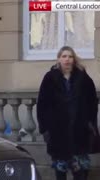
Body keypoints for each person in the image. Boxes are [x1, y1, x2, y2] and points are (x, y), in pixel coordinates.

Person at [37, 46, 98, 180]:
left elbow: (92, 102)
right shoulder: (50, 78)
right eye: (64, 56)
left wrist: (90, 123)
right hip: (58, 133)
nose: (67, 59)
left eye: (70, 56)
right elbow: (42, 104)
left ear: (74, 59)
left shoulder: (83, 78)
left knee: (81, 172)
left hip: (79, 132)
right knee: (61, 171)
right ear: (59, 59)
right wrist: (45, 129)